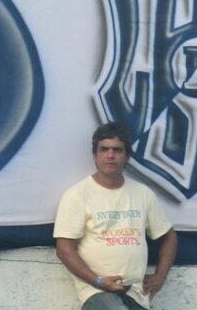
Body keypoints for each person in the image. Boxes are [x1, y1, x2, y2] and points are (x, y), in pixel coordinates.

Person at [53, 123, 177, 310]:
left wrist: (160, 277)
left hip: (137, 294)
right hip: (97, 292)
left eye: (117, 150)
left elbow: (168, 237)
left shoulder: (142, 193)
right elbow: (64, 249)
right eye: (104, 149)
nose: (110, 156)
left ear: (127, 156)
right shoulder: (77, 195)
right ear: (95, 155)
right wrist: (97, 281)